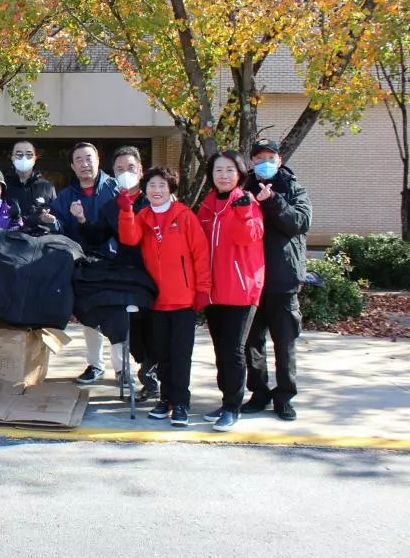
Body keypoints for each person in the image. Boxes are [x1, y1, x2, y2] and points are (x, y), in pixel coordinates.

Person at [119, 166, 211, 428]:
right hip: (156, 299)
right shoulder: (144, 215)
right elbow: (129, 238)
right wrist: (126, 210)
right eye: (151, 185)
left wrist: (203, 289)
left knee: (181, 354)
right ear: (144, 190)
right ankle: (166, 399)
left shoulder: (184, 215)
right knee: (161, 353)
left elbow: (200, 255)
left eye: (161, 185)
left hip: (183, 299)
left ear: (170, 188)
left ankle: (180, 402)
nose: (156, 190)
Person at [79, 146, 158, 400]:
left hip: (158, 274)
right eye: (120, 170)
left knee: (157, 331)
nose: (126, 173)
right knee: (133, 333)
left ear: (141, 170)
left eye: (131, 168)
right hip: (130, 277)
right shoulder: (112, 206)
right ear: (113, 174)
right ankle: (144, 373)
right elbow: (97, 236)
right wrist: (82, 220)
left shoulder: (154, 199)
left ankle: (155, 379)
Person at [243, 138, 312, 421]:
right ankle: (258, 393)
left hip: (283, 281)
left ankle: (285, 396)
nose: (264, 163)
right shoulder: (243, 188)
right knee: (252, 343)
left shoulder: (294, 188)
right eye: (258, 159)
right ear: (251, 163)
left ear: (279, 159)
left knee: (284, 344)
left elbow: (298, 222)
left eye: (269, 157)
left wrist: (272, 201)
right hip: (250, 282)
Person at [198, 151, 266, 432]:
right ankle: (225, 398)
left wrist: (240, 209)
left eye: (229, 170)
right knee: (220, 349)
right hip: (214, 290)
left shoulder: (246, 201)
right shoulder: (208, 204)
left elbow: (248, 236)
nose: (223, 175)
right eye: (218, 170)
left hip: (241, 289)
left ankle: (232, 407)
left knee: (234, 350)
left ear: (239, 173)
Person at [50, 141, 121, 385]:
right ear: (72, 165)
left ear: (98, 160)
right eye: (78, 159)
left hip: (115, 262)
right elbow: (58, 227)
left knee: (117, 315)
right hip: (83, 265)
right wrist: (51, 220)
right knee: (90, 315)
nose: (84, 163)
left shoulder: (114, 188)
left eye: (89, 158)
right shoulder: (66, 196)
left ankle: (122, 370)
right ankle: (95, 365)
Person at [4, 140, 56, 222]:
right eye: (19, 154)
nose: (24, 158)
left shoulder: (46, 187)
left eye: (29, 154)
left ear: (35, 158)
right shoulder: (2, 185)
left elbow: (55, 217)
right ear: (12, 158)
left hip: (39, 234)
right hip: (8, 233)